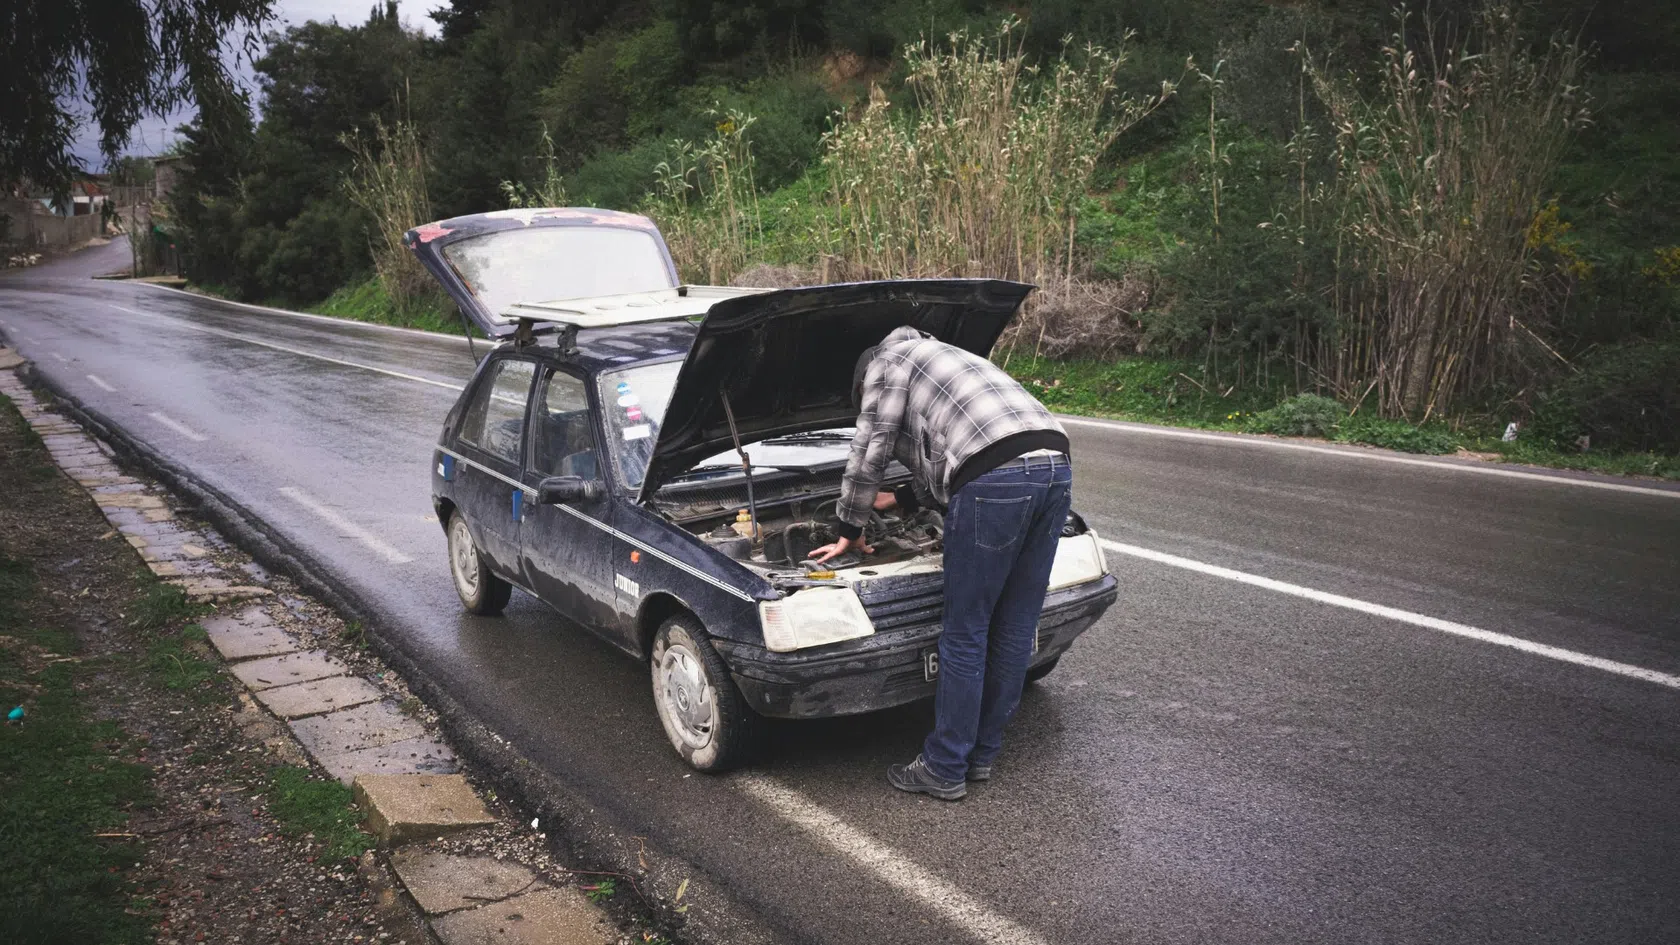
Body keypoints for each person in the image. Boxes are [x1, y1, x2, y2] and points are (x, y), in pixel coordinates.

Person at [809, 326, 1072, 800]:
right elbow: (954, 445)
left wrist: (850, 526)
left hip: (996, 479)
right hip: (1054, 462)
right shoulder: (948, 353)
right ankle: (982, 755)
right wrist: (904, 498)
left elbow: (871, 448)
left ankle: (944, 766)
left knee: (965, 631)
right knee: (1014, 625)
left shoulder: (886, 363)